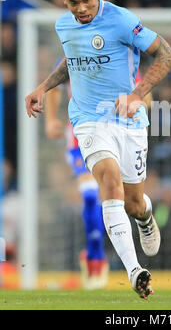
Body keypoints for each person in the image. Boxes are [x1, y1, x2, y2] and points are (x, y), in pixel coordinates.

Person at [25, 0, 171, 299]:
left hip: (129, 122)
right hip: (87, 120)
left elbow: (166, 53)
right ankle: (135, 270)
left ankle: (145, 217)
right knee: (109, 183)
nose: (80, 9)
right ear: (63, 0)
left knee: (133, 202)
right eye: (72, 2)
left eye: (86, 1)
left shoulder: (122, 20)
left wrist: (138, 95)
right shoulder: (63, 25)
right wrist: (44, 86)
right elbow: (70, 60)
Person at [45, 80, 109, 290]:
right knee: (90, 195)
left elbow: (142, 90)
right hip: (78, 134)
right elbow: (53, 85)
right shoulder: (73, 54)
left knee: (110, 198)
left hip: (111, 133)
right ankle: (96, 259)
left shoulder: (117, 53)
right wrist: (50, 119)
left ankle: (94, 253)